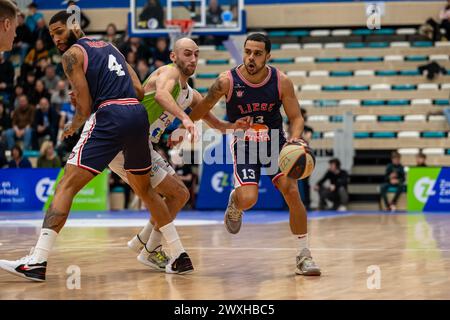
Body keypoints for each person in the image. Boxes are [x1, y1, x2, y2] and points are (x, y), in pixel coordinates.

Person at [0, 11, 193, 281]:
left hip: (110, 116)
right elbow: (138, 92)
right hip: (136, 117)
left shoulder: (72, 56)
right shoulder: (111, 47)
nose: (55, 38)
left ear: (73, 26)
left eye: (58, 31)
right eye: (52, 34)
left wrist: (73, 124)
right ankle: (179, 254)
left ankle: (38, 260)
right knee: (146, 190)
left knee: (66, 185)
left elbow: (86, 108)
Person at [109, 37, 249, 270]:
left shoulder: (190, 94)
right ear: (174, 56)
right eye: (186, 53)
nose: (192, 58)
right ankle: (152, 248)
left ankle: (144, 241)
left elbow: (216, 123)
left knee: (180, 196)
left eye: (195, 54)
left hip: (142, 144)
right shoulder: (168, 73)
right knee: (175, 193)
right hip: (125, 142)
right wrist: (184, 120)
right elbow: (163, 96)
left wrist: (236, 125)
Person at [187, 33, 321, 276]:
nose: (251, 57)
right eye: (248, 52)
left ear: (267, 56)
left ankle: (304, 255)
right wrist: (184, 124)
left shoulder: (281, 81)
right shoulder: (225, 82)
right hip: (245, 144)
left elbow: (296, 117)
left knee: (291, 191)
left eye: (258, 53)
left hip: (275, 144)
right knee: (249, 199)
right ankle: (235, 204)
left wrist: (296, 137)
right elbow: (202, 109)